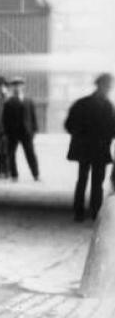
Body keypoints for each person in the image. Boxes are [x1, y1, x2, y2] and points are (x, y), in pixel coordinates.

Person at [64, 74, 115, 222]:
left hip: (84, 149)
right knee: (96, 182)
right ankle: (95, 212)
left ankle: (79, 212)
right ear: (103, 87)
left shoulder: (81, 103)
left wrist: (80, 137)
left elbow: (69, 125)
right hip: (99, 150)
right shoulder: (108, 106)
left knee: (82, 180)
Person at [3, 76, 40, 182]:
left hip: (27, 132)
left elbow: (33, 117)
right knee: (11, 154)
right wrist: (6, 132)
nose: (17, 87)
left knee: (30, 153)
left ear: (23, 86)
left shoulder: (29, 101)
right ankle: (14, 175)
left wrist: (34, 131)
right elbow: (5, 119)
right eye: (15, 86)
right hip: (12, 133)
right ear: (12, 88)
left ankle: (36, 174)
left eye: (19, 85)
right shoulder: (8, 102)